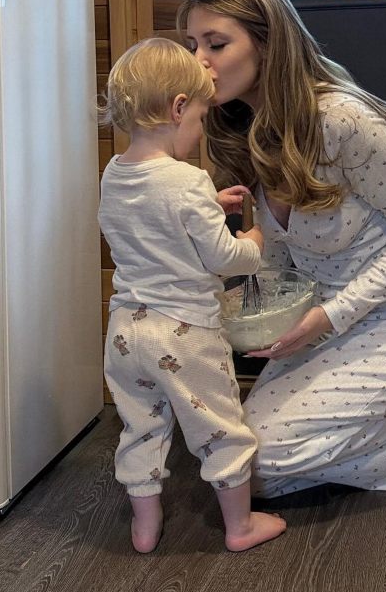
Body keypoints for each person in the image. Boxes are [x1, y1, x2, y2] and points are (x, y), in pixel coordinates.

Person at [178, 0, 386, 500]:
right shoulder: (245, 128)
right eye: (192, 44)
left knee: (257, 464)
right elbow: (272, 256)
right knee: (236, 465)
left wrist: (326, 319)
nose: (199, 61)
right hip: (320, 323)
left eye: (216, 44)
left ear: (268, 44)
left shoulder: (342, 120)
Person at [98, 37, 287, 552]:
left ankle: (144, 527)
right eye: (201, 117)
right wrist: (254, 240)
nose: (201, 128)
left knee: (140, 426)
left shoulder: (114, 174)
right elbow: (223, 259)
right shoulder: (187, 180)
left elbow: (154, 223)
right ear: (179, 108)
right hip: (184, 333)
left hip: (125, 330)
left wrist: (209, 203)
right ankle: (240, 527)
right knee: (220, 428)